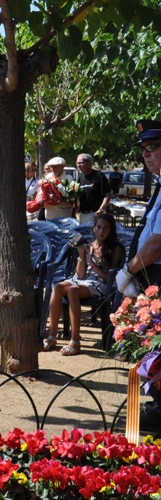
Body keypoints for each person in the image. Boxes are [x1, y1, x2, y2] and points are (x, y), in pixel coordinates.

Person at [118, 119, 161, 435]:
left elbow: (157, 242)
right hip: (151, 277)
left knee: (156, 344)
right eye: (144, 150)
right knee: (152, 344)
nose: (146, 155)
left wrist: (128, 270)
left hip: (156, 274)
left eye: (152, 148)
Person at [44, 213, 122, 355]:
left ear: (111, 230)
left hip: (100, 283)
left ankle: (75, 341)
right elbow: (80, 276)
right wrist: (81, 255)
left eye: (106, 228)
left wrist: (92, 263)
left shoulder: (115, 249)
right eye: (98, 227)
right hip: (82, 281)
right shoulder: (89, 246)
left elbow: (109, 278)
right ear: (93, 228)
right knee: (58, 287)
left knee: (73, 291)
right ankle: (52, 336)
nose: (101, 231)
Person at [75, 154, 112, 224]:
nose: (78, 165)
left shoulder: (99, 176)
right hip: (83, 215)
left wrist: (101, 210)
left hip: (96, 214)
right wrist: (74, 212)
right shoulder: (80, 178)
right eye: (77, 163)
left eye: (81, 163)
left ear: (89, 163)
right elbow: (79, 198)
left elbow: (108, 194)